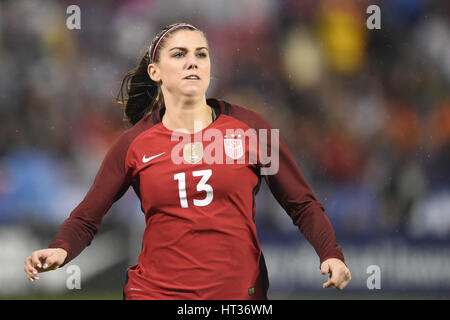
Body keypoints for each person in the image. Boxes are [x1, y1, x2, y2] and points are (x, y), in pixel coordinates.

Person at [24, 23, 351, 299]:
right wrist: (61, 249)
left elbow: (302, 204)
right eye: (179, 54)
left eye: (201, 54)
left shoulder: (253, 129)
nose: (192, 62)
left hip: (238, 297)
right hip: (155, 293)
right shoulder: (133, 144)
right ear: (155, 72)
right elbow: (86, 218)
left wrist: (331, 255)